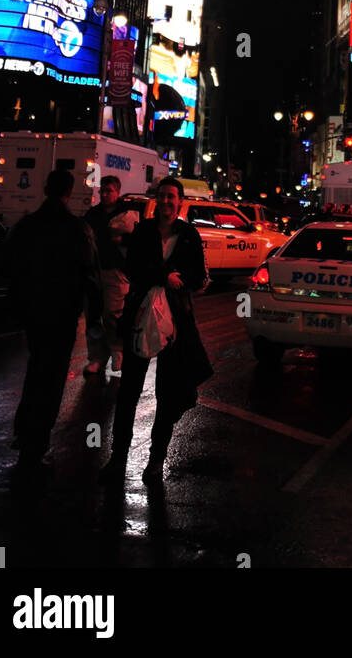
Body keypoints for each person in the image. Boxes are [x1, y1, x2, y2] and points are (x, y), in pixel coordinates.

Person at [100, 178, 212, 485]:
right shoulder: (144, 231)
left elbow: (197, 275)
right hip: (139, 317)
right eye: (161, 196)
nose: (166, 201)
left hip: (175, 324)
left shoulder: (188, 234)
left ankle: (155, 462)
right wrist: (165, 274)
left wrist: (181, 279)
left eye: (171, 197)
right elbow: (133, 268)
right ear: (156, 200)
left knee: (167, 393)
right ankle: (117, 459)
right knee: (128, 394)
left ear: (179, 202)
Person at [0, 168, 103, 488]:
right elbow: (92, 276)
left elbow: (4, 262)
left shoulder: (27, 226)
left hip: (34, 313)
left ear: (45, 188)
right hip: (62, 314)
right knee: (53, 377)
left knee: (36, 369)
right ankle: (37, 442)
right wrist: (93, 315)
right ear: (69, 192)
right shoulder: (77, 229)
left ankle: (24, 434)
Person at [84, 175, 138, 376]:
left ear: (118, 191)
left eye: (109, 191)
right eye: (103, 191)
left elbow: (139, 240)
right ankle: (96, 357)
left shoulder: (128, 212)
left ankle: (117, 351)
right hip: (94, 270)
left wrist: (123, 239)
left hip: (116, 271)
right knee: (94, 315)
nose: (105, 195)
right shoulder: (93, 214)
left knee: (113, 313)